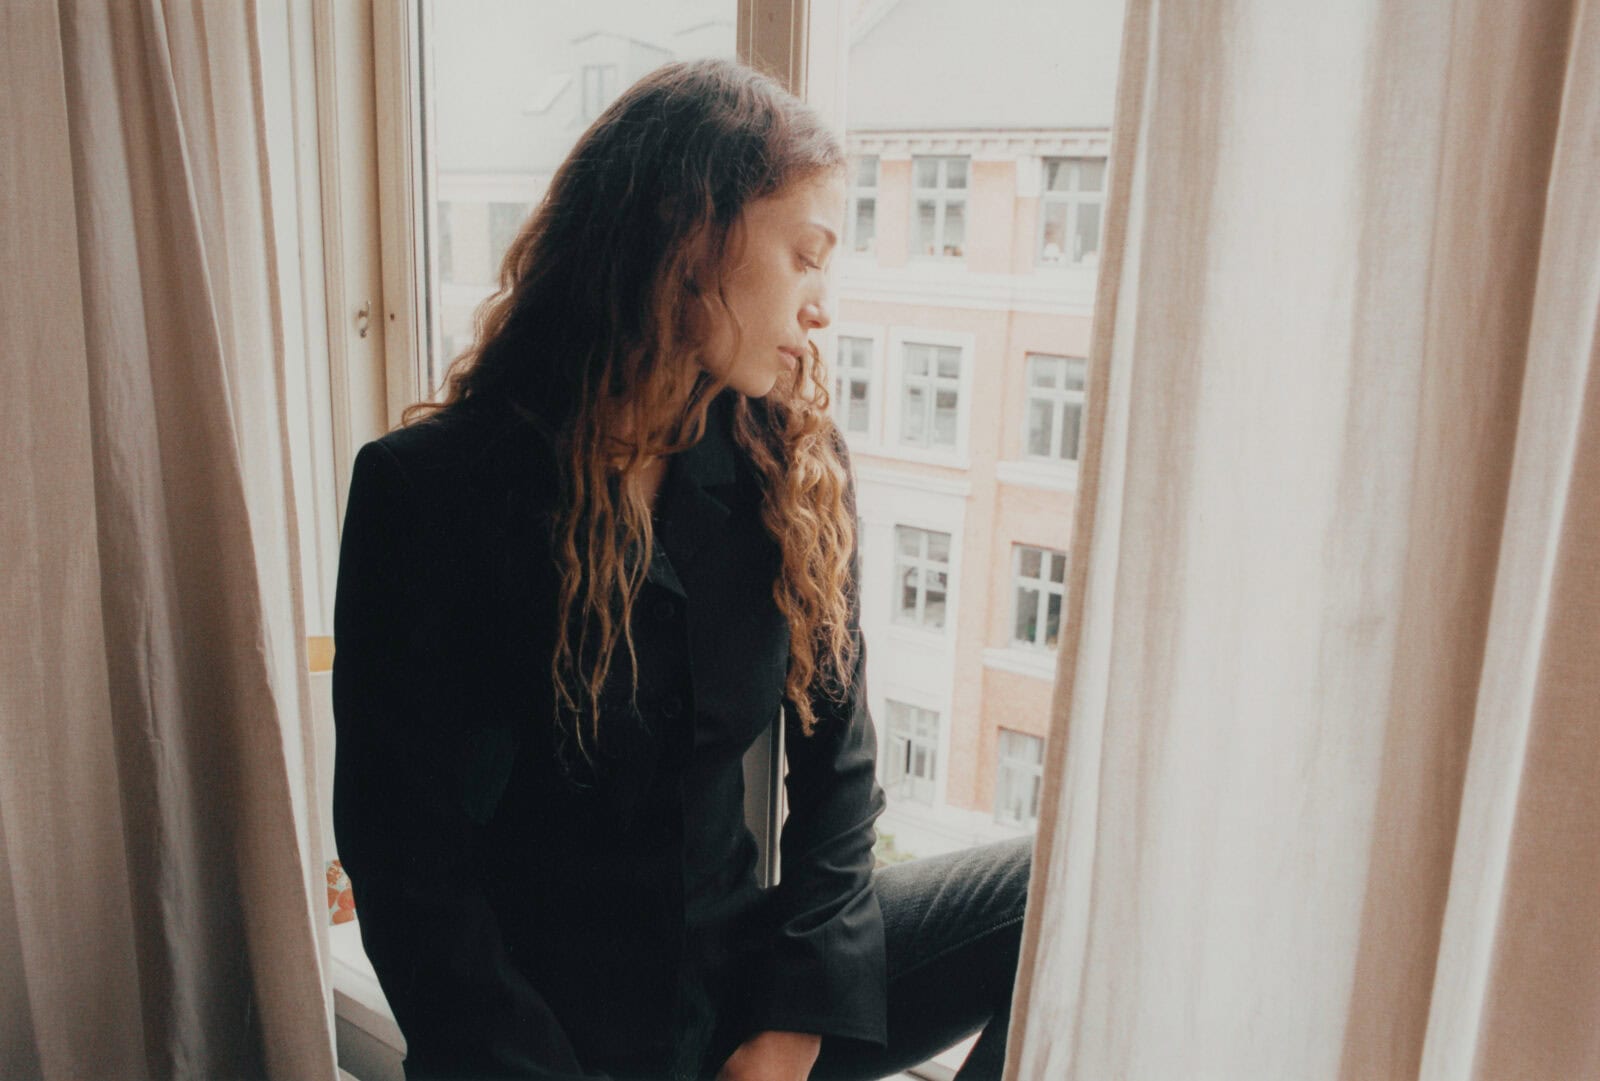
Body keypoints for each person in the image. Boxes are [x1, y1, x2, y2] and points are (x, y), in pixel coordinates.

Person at [332, 58, 1030, 1081]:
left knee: (1054, 886)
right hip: (541, 1038)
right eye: (805, 257)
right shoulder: (427, 492)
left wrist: (791, 1028)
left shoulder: (791, 467)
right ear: (692, 242)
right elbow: (406, 863)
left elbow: (837, 779)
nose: (821, 307)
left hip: (747, 995)